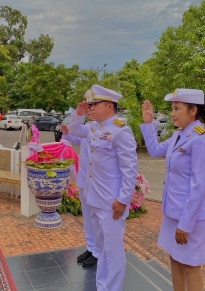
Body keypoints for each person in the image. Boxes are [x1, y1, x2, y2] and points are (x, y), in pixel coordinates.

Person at [140, 89, 205, 291]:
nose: (172, 113)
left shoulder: (201, 139)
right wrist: (149, 124)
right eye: (172, 108)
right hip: (174, 211)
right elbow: (155, 150)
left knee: (190, 265)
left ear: (193, 111)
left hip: (191, 216)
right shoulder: (178, 136)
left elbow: (199, 185)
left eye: (176, 108)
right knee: (174, 259)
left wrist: (185, 223)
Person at [69, 85, 138, 291]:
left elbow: (129, 169)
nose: (91, 108)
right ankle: (102, 287)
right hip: (94, 198)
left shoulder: (120, 131)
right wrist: (77, 115)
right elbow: (74, 130)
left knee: (113, 251)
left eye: (95, 104)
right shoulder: (94, 128)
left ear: (109, 106)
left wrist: (123, 200)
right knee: (101, 250)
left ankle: (113, 288)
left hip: (112, 202)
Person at [60, 91, 99, 268]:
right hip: (85, 178)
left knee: (96, 218)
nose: (90, 110)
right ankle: (91, 247)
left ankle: (98, 251)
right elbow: (75, 138)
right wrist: (67, 132)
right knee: (88, 216)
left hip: (98, 182)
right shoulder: (90, 127)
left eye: (93, 106)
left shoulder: (106, 128)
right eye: (89, 106)